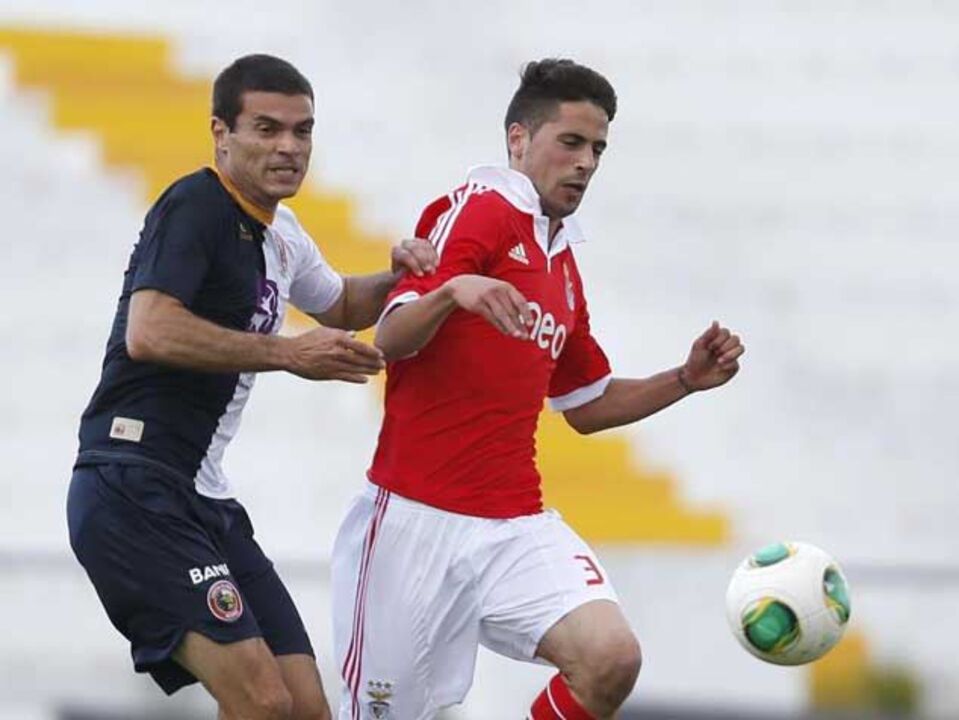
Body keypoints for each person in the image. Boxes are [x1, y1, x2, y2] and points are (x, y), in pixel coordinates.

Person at [330, 58, 745, 720]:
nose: (585, 163)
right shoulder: (480, 209)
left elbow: (585, 405)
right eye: (571, 142)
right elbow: (390, 337)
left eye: (598, 149)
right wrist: (453, 291)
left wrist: (684, 380)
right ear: (518, 139)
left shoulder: (563, 265)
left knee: (609, 658)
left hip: (513, 523)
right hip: (414, 522)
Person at [67, 54, 436, 720]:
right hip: (133, 484)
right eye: (267, 129)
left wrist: (403, 276)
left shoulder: (280, 233)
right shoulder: (196, 205)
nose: (288, 147)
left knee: (302, 707)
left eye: (302, 132)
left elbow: (342, 303)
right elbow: (148, 332)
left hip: (200, 498)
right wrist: (287, 353)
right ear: (221, 133)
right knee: (262, 702)